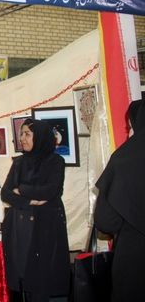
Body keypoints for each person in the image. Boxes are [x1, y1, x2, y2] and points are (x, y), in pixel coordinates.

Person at [1, 118, 70, 302]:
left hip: (45, 226)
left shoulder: (56, 162)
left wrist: (22, 189)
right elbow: (5, 193)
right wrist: (30, 201)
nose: (22, 138)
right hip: (20, 227)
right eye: (21, 134)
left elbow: (51, 190)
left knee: (42, 278)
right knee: (22, 275)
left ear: (39, 137)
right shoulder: (18, 162)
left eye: (27, 134)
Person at [94, 98, 145, 301]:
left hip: (135, 258)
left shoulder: (124, 159)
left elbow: (105, 221)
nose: (129, 133)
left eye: (130, 127)